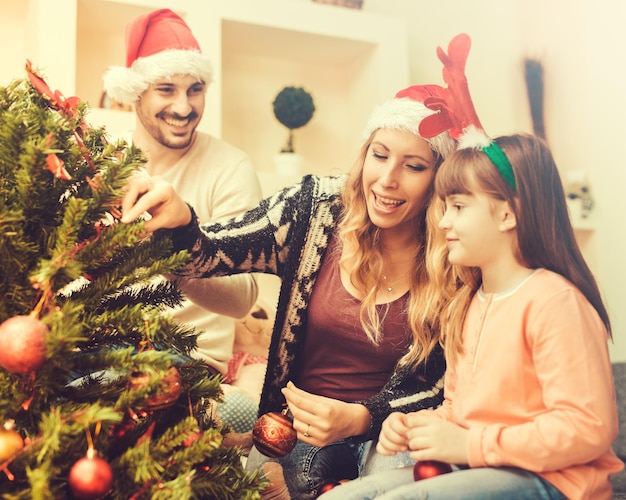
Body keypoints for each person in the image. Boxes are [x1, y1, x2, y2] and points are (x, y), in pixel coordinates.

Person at [119, 79, 458, 498]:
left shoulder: (454, 254)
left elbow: (442, 384)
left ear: (438, 178)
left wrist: (362, 418)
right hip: (290, 431)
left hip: (390, 431)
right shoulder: (314, 209)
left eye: (413, 166)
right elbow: (211, 253)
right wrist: (182, 219)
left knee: (397, 480)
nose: (387, 179)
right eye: (379, 155)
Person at [320, 34, 624, 500]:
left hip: (555, 484)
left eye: (458, 207)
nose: (442, 222)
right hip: (481, 468)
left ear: (507, 214)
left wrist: (469, 443)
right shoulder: (469, 303)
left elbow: (588, 429)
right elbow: (461, 411)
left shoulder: (554, 302)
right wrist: (418, 424)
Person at [102, 9, 265, 432]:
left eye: (195, 90)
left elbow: (245, 296)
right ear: (135, 93)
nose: (183, 106)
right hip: (96, 342)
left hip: (184, 359)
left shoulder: (230, 167)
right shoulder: (102, 162)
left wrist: (174, 250)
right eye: (166, 89)